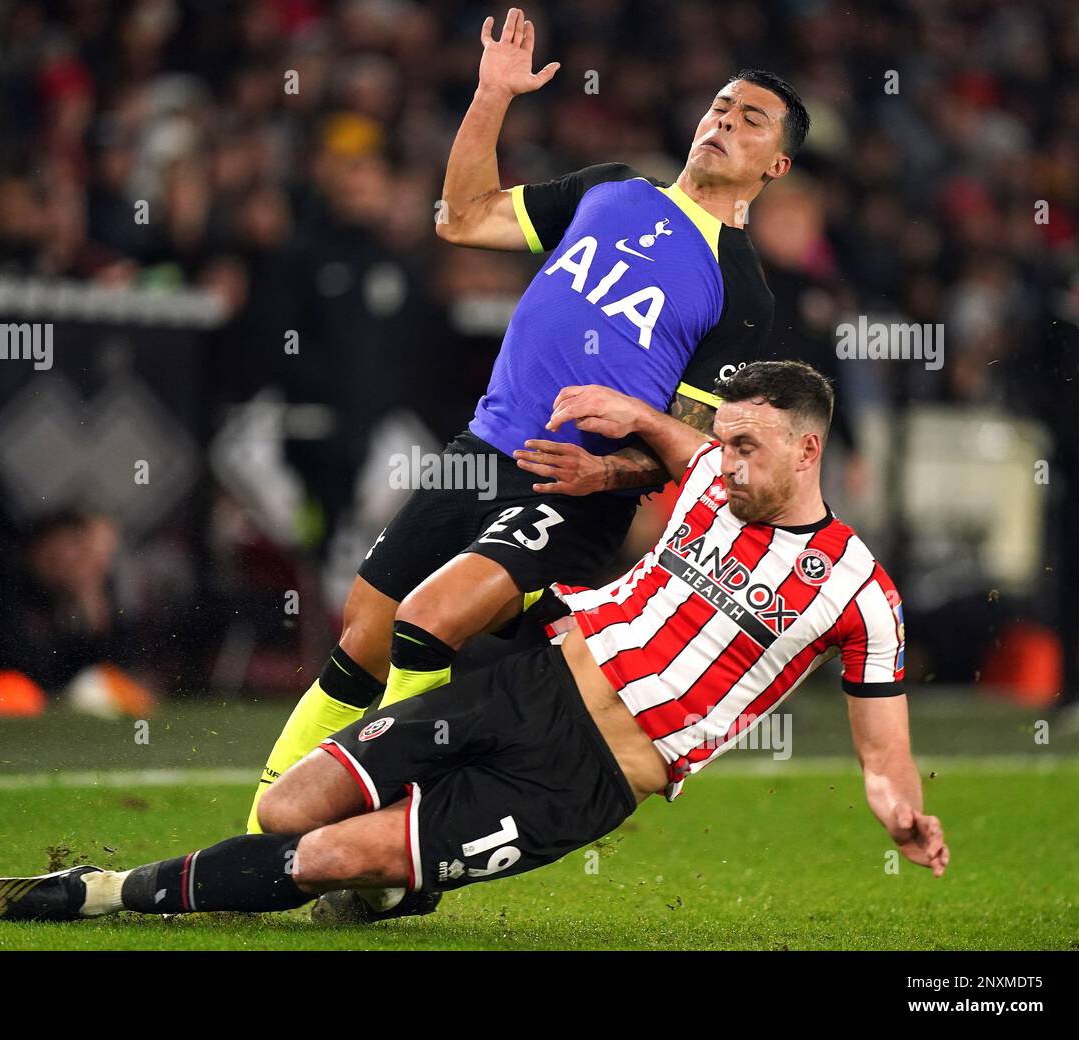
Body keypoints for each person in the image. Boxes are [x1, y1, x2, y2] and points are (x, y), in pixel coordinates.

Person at [0, 361, 949, 927]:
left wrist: (898, 812)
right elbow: (680, 444)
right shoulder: (710, 476)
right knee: (284, 804)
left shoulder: (859, 591)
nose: (723, 461)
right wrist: (635, 416)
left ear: (807, 450)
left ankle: (99, 892)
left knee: (319, 854)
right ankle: (398, 884)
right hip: (522, 686)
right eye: (722, 440)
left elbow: (882, 754)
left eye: (748, 446)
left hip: (582, 778)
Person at [245, 7, 810, 832]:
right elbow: (461, 217)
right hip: (483, 447)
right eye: (721, 105)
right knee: (365, 627)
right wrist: (490, 97)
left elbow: (685, 447)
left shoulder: (742, 291)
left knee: (424, 624)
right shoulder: (612, 188)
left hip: (573, 487)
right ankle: (267, 823)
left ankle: (394, 832)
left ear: (777, 163)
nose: (725, 120)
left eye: (750, 118)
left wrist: (603, 473)